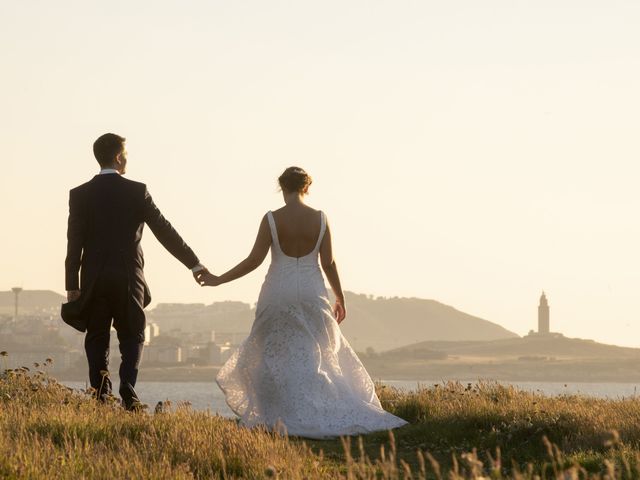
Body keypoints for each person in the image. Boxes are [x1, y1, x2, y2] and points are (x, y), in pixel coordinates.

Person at [198, 167, 407, 438]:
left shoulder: (272, 219)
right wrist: (340, 296)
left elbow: (254, 260)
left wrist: (218, 279)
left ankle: (279, 414)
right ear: (306, 188)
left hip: (278, 291)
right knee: (313, 354)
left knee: (272, 352)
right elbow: (328, 262)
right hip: (311, 290)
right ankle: (313, 409)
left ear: (281, 187)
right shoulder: (320, 218)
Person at [65, 133, 208, 410]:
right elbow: (164, 230)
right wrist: (193, 263)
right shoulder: (136, 191)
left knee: (97, 337)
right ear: (119, 157)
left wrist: (72, 283)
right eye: (126, 154)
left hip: (93, 279)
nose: (127, 158)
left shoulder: (79, 194)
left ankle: (101, 395)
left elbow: (74, 243)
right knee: (133, 335)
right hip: (129, 277)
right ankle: (128, 391)